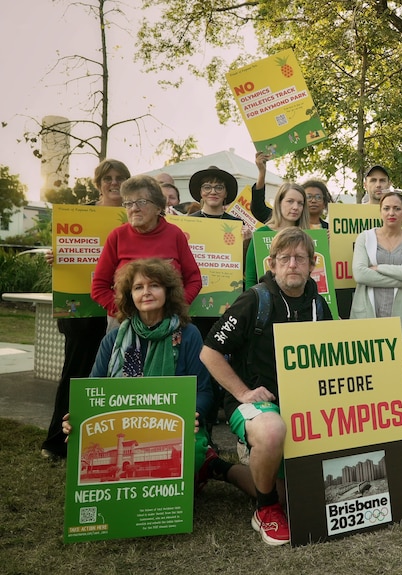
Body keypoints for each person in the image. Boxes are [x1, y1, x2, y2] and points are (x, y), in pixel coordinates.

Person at [62, 259, 255, 496]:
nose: (146, 292)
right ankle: (211, 466)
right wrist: (78, 419)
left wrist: (191, 414)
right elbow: (93, 392)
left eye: (154, 285)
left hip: (173, 429)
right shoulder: (114, 340)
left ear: (168, 291)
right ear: (128, 294)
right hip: (122, 429)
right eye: (138, 287)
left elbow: (205, 391)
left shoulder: (189, 335)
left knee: (187, 457)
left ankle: (206, 464)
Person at [201, 227, 333, 546]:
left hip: (300, 403)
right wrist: (244, 393)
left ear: (312, 264)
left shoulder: (319, 306)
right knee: (273, 431)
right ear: (272, 264)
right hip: (255, 402)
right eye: (284, 258)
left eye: (300, 258)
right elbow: (209, 352)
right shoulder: (254, 299)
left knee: (291, 493)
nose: (292, 265)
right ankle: (265, 510)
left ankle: (217, 467)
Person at [41, 159, 130, 459]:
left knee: (111, 375)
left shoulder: (132, 215)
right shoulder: (80, 214)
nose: (114, 183)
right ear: (98, 183)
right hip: (82, 309)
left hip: (121, 309)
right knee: (76, 373)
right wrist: (57, 255)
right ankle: (57, 440)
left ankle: (99, 441)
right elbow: (64, 250)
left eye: (120, 177)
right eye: (108, 178)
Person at [187, 165, 251, 439]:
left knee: (225, 369)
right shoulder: (187, 224)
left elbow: (244, 268)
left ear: (226, 194)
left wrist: (246, 243)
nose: (213, 191)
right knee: (199, 371)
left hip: (227, 310)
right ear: (200, 193)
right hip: (195, 309)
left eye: (219, 187)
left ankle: (229, 434)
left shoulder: (239, 227)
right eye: (207, 187)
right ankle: (203, 433)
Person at [91, 175, 202, 318]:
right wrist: (126, 312)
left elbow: (194, 279)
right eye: (129, 203)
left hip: (168, 320)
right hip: (124, 321)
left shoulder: (175, 234)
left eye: (141, 202)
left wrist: (175, 308)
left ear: (158, 208)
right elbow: (98, 287)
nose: (134, 208)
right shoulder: (117, 236)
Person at [351, 192, 402, 364]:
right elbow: (360, 274)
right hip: (368, 314)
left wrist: (380, 268)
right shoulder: (365, 238)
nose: (391, 213)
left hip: (399, 318)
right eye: (386, 208)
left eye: (396, 208)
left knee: (400, 370)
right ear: (380, 212)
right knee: (366, 369)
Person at [245, 182, 309, 289]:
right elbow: (251, 278)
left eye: (300, 203)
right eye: (290, 201)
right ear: (279, 203)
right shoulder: (261, 234)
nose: (295, 207)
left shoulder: (308, 236)